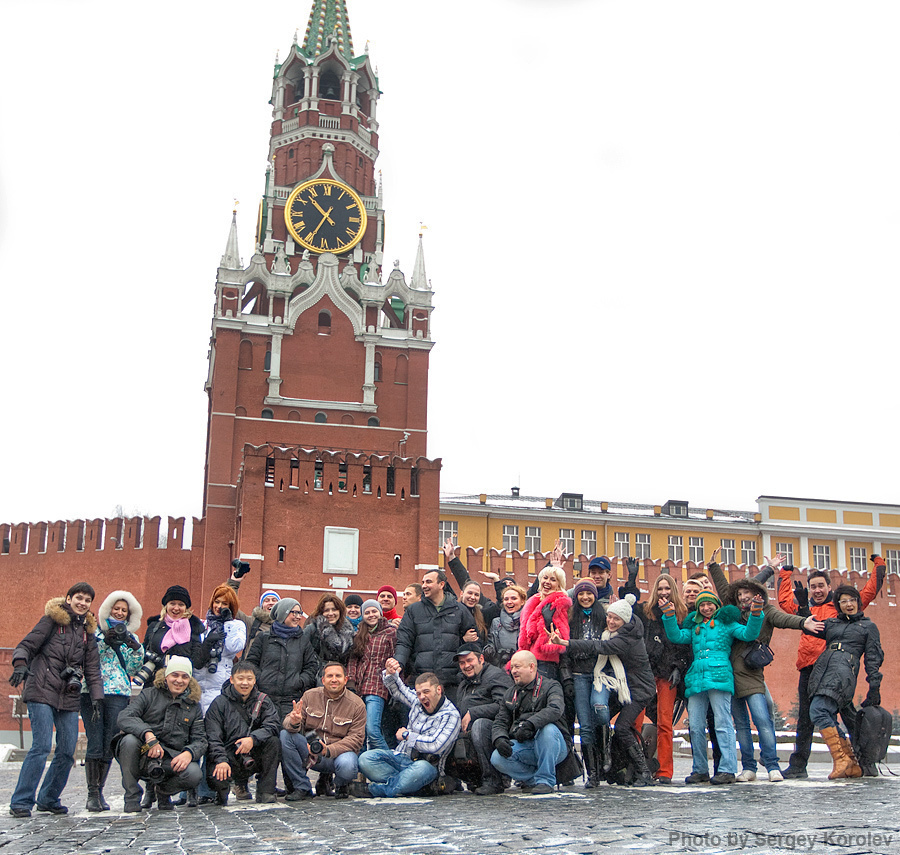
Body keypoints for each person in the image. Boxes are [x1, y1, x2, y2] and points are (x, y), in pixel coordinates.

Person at [708, 551, 819, 782]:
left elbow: (785, 620)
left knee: (763, 721)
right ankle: (748, 768)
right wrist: (713, 567)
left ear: (757, 594)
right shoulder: (735, 614)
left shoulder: (766, 612)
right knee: (741, 726)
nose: (743, 597)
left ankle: (772, 765)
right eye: (740, 594)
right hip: (730, 676)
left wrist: (803, 622)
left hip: (752, 674)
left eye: (747, 593)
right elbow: (725, 590)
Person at [777, 554, 884, 779]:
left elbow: (868, 592)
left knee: (848, 717)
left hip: (836, 670)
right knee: (806, 717)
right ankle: (799, 765)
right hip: (809, 668)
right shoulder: (807, 609)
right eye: (813, 586)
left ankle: (863, 762)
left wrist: (879, 566)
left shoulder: (841, 609)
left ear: (829, 587)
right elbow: (786, 604)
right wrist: (785, 575)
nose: (817, 590)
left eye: (821, 586)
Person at [8, 583, 104, 818]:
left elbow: (92, 668)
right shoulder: (52, 621)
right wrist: (20, 664)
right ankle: (21, 801)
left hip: (68, 695)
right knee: (41, 746)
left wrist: (97, 698)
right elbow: (26, 645)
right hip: (41, 689)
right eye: (79, 598)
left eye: (87, 600)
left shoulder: (87, 633)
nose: (83, 603)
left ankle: (49, 798)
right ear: (69, 598)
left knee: (67, 750)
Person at [550, 593, 656, 787]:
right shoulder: (628, 629)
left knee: (622, 727)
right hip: (626, 688)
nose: (611, 621)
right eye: (610, 617)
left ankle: (644, 772)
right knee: (598, 720)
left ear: (625, 621)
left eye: (616, 619)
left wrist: (566, 643)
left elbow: (598, 646)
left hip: (639, 690)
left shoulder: (625, 638)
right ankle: (609, 767)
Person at [661, 589, 764, 785]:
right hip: (697, 678)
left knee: (723, 724)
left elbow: (749, 633)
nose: (706, 608)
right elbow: (676, 636)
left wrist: (756, 613)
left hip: (719, 676)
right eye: (702, 605)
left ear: (716, 606)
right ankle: (700, 769)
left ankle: (727, 769)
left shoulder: (726, 624)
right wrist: (669, 616)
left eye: (710, 604)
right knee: (696, 726)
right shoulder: (694, 626)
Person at [805, 585, 884, 779]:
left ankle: (842, 759)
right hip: (823, 669)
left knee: (819, 710)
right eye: (844, 601)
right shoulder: (832, 623)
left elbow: (873, 658)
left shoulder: (868, 626)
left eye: (852, 600)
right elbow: (811, 626)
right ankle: (851, 763)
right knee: (833, 714)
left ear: (858, 602)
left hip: (844, 671)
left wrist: (874, 685)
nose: (849, 604)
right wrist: (803, 610)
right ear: (838, 605)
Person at [114, 657, 207, 812]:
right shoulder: (149, 695)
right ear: (166, 676)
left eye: (184, 677)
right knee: (128, 741)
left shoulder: (193, 706)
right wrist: (148, 734)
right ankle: (132, 796)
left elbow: (200, 740)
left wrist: (189, 753)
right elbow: (125, 717)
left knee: (194, 773)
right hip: (142, 753)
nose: (179, 680)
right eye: (175, 675)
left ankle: (163, 791)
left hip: (170, 759)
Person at [245, 597, 318, 793]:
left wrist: (299, 681)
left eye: (298, 613)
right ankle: (266, 786)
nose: (297, 616)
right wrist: (262, 680)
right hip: (265, 699)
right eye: (293, 612)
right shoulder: (264, 638)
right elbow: (250, 663)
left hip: (290, 699)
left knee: (289, 739)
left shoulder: (303, 640)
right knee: (269, 741)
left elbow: (312, 666)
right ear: (282, 614)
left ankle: (294, 785)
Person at [358, 660, 460, 797]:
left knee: (421, 769)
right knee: (366, 758)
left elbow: (436, 745)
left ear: (438, 690)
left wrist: (407, 735)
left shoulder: (451, 715)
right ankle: (407, 785)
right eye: (419, 693)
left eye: (426, 692)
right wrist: (390, 673)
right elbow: (399, 691)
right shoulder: (418, 702)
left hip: (427, 767)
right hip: (400, 758)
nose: (422, 697)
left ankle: (379, 790)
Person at [81, 590, 144, 812]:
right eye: (116, 608)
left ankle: (99, 792)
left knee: (109, 741)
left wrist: (135, 648)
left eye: (123, 610)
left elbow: (135, 669)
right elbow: (84, 658)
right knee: (95, 739)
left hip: (118, 692)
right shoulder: (94, 632)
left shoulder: (131, 637)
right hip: (91, 692)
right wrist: (104, 642)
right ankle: (91, 794)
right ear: (108, 609)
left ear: (129, 615)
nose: (119, 612)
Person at [280, 661, 367, 799]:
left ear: (345, 680)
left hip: (338, 755)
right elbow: (288, 722)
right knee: (285, 736)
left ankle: (341, 784)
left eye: (338, 676)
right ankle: (302, 787)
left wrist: (328, 750)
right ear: (323, 680)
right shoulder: (309, 695)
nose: (333, 679)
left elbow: (356, 739)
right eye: (329, 676)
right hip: (310, 751)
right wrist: (294, 722)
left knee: (348, 765)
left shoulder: (357, 704)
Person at [488, 651, 570, 795]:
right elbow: (500, 721)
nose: (513, 671)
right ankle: (532, 780)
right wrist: (499, 738)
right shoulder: (509, 693)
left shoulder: (551, 686)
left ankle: (545, 781)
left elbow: (555, 709)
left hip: (554, 745)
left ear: (532, 667)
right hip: (526, 745)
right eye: (512, 667)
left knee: (548, 730)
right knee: (497, 757)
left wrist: (530, 724)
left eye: (517, 667)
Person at [204, 661, 282, 804]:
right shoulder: (219, 703)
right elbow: (212, 736)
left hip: (254, 752)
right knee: (217, 777)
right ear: (232, 679)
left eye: (249, 678)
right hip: (228, 755)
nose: (244, 683)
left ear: (255, 680)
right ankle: (223, 791)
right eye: (240, 678)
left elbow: (272, 724)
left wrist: (253, 739)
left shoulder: (263, 700)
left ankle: (266, 790)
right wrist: (221, 760)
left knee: (274, 742)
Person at [641, 574, 690, 785]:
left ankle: (664, 770)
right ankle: (637, 766)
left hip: (668, 673)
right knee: (636, 721)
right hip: (645, 673)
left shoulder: (682, 614)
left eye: (667, 589)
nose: (663, 593)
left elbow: (685, 646)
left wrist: (679, 667)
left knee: (665, 723)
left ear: (673, 590)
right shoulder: (647, 613)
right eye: (660, 589)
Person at [558, 578, 607, 787]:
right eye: (581, 594)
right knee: (585, 726)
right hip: (578, 675)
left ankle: (606, 758)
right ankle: (593, 773)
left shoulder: (603, 616)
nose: (585, 597)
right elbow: (565, 652)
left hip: (599, 674)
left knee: (602, 715)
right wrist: (567, 678)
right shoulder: (571, 618)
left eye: (589, 594)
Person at [394, 568, 476, 688]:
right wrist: (399, 663)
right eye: (423, 582)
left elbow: (475, 643)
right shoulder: (414, 611)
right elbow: (404, 642)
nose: (424, 586)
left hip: (452, 682)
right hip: (422, 679)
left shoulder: (459, 610)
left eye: (428, 582)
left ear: (441, 584)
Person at [447, 642, 513, 793]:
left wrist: (473, 712)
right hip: (471, 737)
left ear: (481, 659)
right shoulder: (464, 682)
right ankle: (471, 778)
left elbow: (505, 707)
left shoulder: (496, 676)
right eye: (462, 663)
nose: (466, 666)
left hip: (497, 731)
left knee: (479, 725)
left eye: (469, 660)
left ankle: (494, 780)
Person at [347, 599, 397, 751]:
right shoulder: (359, 634)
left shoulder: (390, 632)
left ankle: (392, 763)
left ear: (380, 613)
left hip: (378, 686)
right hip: (359, 687)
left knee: (372, 730)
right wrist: (350, 682)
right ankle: (360, 770)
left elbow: (396, 659)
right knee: (359, 732)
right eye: (367, 612)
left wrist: (396, 688)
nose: (371, 615)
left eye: (374, 611)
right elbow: (353, 660)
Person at [197, 585, 247, 712]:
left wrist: (228, 623)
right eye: (217, 602)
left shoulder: (236, 625)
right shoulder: (202, 625)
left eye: (224, 603)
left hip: (219, 682)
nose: (219, 606)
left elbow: (234, 647)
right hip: (199, 682)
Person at [519, 562, 571, 683]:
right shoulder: (535, 600)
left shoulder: (559, 603)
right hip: (530, 658)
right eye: (545, 578)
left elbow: (563, 635)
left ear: (559, 585)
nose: (547, 582)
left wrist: (548, 623)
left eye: (553, 580)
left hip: (545, 661)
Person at [141, 585, 208, 678]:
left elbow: (197, 662)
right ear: (166, 606)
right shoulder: (155, 626)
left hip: (180, 684)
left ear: (186, 608)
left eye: (181, 604)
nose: (176, 608)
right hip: (154, 682)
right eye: (172, 603)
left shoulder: (192, 628)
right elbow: (144, 653)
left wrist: (208, 644)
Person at [303, 594, 355, 677]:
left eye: (334, 609)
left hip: (340, 679)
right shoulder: (312, 629)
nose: (331, 613)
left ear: (340, 611)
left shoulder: (349, 630)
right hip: (317, 678)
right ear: (321, 612)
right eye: (326, 610)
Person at [486, 584, 527, 668]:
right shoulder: (496, 622)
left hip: (523, 667)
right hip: (501, 667)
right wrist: (488, 649)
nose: (509, 602)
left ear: (522, 601)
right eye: (506, 599)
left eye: (514, 598)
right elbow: (491, 642)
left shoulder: (528, 621)